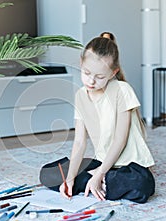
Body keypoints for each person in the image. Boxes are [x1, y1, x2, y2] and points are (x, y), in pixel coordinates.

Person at [39, 32, 155, 204]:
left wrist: (100, 173)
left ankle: (95, 181)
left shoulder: (122, 90)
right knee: (48, 174)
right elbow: (79, 142)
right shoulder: (80, 96)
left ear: (112, 73)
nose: (91, 81)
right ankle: (97, 183)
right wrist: (70, 178)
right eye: (86, 73)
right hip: (102, 162)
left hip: (129, 166)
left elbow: (119, 140)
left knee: (143, 185)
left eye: (100, 77)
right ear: (81, 64)